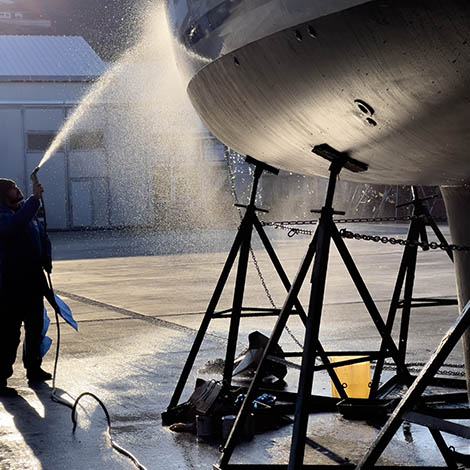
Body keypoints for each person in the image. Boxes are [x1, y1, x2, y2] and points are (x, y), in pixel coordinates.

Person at [0, 178, 53, 393]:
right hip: (10, 284)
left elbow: (42, 236)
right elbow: (14, 225)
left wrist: (46, 257)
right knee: (9, 333)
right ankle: (1, 375)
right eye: (12, 188)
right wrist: (35, 200)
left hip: (33, 281)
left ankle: (34, 368)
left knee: (35, 328)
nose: (17, 189)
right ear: (3, 194)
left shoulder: (26, 212)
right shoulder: (4, 216)